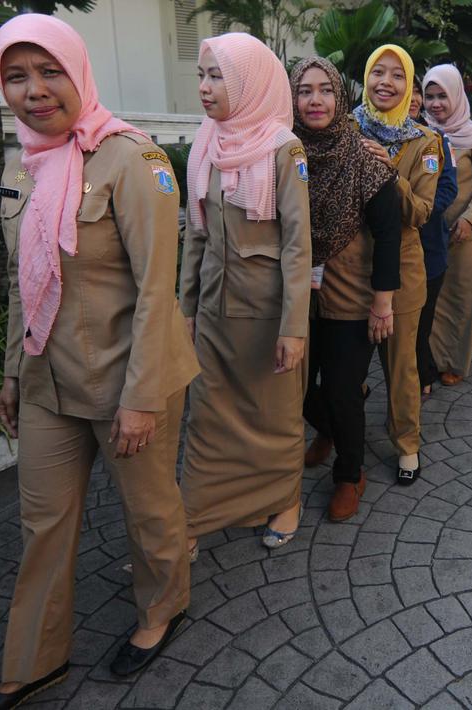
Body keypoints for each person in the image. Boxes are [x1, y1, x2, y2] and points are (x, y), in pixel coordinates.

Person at [0, 15, 198, 708]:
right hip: (46, 380)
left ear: (78, 73)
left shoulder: (134, 159)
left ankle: (163, 607)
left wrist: (141, 396)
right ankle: (32, 661)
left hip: (127, 378)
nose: (34, 91)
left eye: (49, 72)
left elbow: (158, 288)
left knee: (149, 512)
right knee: (41, 523)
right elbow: (24, 280)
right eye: (16, 76)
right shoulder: (26, 160)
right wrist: (12, 372)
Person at [179, 33, 310, 552]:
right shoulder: (206, 142)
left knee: (272, 416)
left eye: (218, 77)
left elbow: (298, 246)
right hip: (214, 308)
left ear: (248, 82)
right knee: (207, 415)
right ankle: (195, 514)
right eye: (202, 76)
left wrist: (294, 327)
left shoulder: (284, 148)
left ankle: (285, 497)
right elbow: (197, 232)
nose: (206, 89)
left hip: (267, 314)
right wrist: (184, 307)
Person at [292, 56, 401, 518]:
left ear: (341, 97)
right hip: (297, 297)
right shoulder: (285, 152)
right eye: (304, 90)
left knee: (340, 389)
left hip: (350, 297)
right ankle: (331, 428)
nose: (315, 100)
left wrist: (383, 302)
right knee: (296, 389)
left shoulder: (364, 156)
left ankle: (349, 474)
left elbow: (390, 231)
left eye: (325, 90)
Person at [346, 44, 440, 486]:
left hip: (401, 271)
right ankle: (336, 434)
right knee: (343, 365)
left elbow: (421, 213)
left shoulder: (424, 142)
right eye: (377, 72)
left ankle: (407, 444)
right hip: (346, 268)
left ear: (409, 86)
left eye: (397, 75)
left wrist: (391, 173)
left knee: (400, 367)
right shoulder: (343, 128)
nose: (385, 82)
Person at [423, 64, 472, 388]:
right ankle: (431, 360)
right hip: (430, 233)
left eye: (443, 96)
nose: (436, 103)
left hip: (466, 232)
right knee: (433, 300)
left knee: (462, 298)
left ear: (456, 95)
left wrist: (469, 218)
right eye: (430, 96)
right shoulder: (421, 131)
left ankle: (454, 361)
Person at [411, 77, 458, 399]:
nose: (414, 98)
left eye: (417, 91)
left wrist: (419, 211)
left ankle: (421, 373)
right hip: (377, 251)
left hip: (428, 247)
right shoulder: (363, 136)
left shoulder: (436, 139)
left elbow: (448, 188)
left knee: (420, 322)